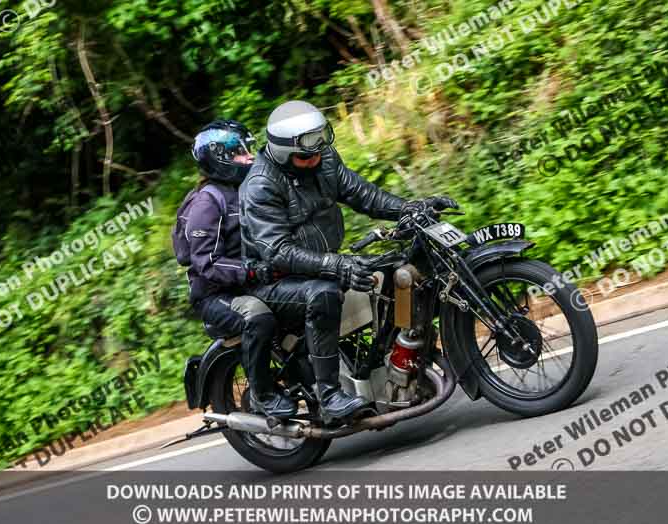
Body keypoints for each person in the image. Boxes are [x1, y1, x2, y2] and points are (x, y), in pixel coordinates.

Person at [239, 100, 457, 420]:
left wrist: (410, 208)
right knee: (323, 295)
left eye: (318, 148)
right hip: (275, 280)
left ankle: (394, 359)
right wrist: (335, 265)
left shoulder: (322, 159)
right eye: (305, 155)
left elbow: (362, 194)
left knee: (393, 270)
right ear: (284, 153)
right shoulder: (260, 186)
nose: (315, 157)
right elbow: (278, 251)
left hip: (317, 265)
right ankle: (329, 393)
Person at [174, 119, 298, 418]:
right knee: (258, 318)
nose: (249, 157)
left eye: (247, 149)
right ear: (219, 159)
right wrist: (251, 270)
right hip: (217, 295)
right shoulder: (207, 202)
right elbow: (207, 263)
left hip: (250, 283)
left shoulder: (245, 191)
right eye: (239, 152)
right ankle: (263, 393)